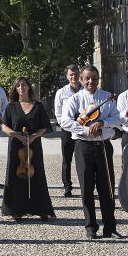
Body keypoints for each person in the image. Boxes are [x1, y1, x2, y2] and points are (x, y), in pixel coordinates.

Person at [61, 65, 120, 240]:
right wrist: (86, 129)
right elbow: (64, 121)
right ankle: (90, 227)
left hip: (103, 146)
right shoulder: (75, 99)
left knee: (107, 188)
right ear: (81, 79)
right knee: (86, 188)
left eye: (94, 78)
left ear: (98, 79)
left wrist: (102, 123)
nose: (90, 82)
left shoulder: (107, 97)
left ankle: (110, 227)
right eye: (87, 78)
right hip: (83, 146)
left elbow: (118, 118)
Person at [1, 76, 55, 221]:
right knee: (15, 177)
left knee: (37, 176)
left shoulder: (38, 106)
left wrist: (32, 137)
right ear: (15, 89)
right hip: (16, 147)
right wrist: (16, 135)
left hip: (33, 146)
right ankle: (16, 209)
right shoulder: (11, 106)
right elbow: (4, 125)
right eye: (18, 86)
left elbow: (44, 126)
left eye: (24, 85)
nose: (21, 88)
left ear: (29, 87)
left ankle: (41, 209)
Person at [53, 64, 83, 197]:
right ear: (67, 76)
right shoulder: (61, 92)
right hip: (67, 130)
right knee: (67, 159)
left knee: (83, 158)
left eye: (76, 74)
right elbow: (58, 113)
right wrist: (66, 125)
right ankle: (67, 186)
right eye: (71, 75)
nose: (74, 77)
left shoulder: (85, 91)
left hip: (83, 128)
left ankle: (85, 185)